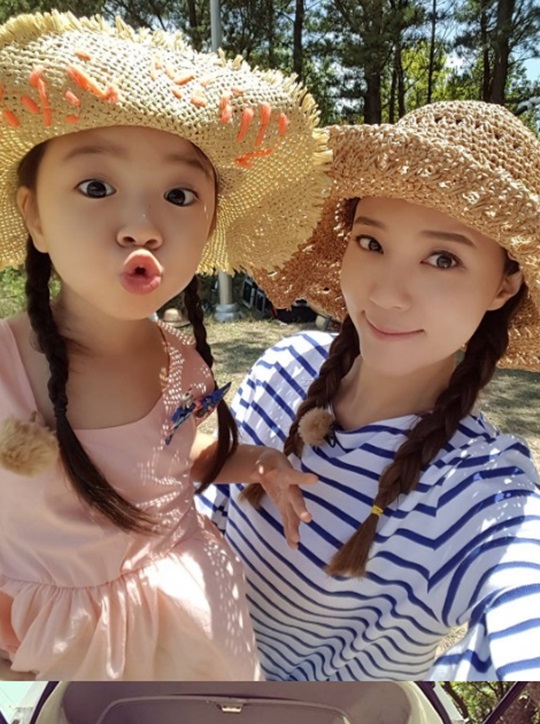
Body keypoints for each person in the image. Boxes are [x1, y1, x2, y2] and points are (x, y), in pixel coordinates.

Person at [0, 11, 328, 680]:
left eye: (179, 194)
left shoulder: (183, 362)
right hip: (54, 648)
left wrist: (261, 464)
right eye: (96, 187)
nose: (142, 227)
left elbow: (177, 462)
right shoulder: (6, 364)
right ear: (35, 215)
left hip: (195, 623)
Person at [201, 101, 540, 680]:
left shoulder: (478, 491)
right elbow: (202, 511)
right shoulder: (284, 368)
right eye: (371, 242)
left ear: (504, 286)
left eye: (442, 259)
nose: (386, 294)